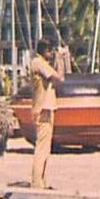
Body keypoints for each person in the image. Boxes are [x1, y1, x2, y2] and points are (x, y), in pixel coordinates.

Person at [29, 38, 65, 189]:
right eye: (50, 51)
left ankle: (41, 180)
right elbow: (59, 78)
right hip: (43, 109)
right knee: (41, 148)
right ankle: (37, 182)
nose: (51, 54)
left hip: (46, 108)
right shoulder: (38, 63)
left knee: (45, 148)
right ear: (44, 51)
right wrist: (61, 60)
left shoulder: (41, 64)